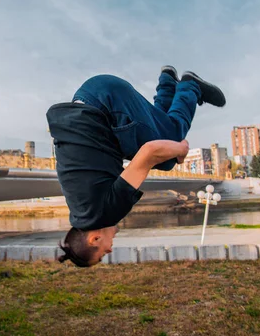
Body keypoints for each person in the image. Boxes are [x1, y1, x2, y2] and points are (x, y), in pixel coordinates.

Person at [46, 66, 226, 267]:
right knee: (162, 140)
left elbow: (150, 152)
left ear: (94, 239)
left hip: (107, 102)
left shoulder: (106, 213)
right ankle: (167, 81)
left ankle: (191, 86)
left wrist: (180, 149)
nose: (110, 249)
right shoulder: (80, 210)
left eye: (102, 254)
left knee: (169, 150)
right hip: (93, 94)